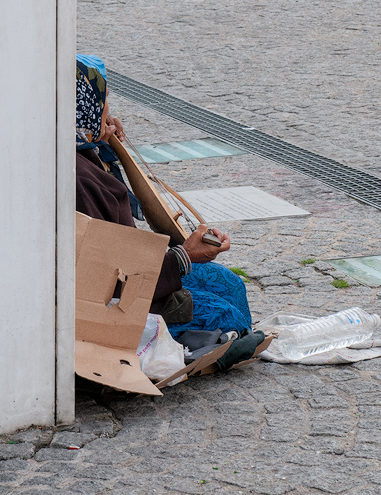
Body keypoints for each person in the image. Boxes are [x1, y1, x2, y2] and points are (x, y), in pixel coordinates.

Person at [75, 55, 255, 341]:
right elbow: (108, 279)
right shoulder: (78, 182)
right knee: (227, 315)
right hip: (126, 299)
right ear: (84, 107)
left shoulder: (75, 148)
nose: (109, 110)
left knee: (229, 283)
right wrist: (184, 256)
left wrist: (103, 141)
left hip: (145, 270)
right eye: (103, 100)